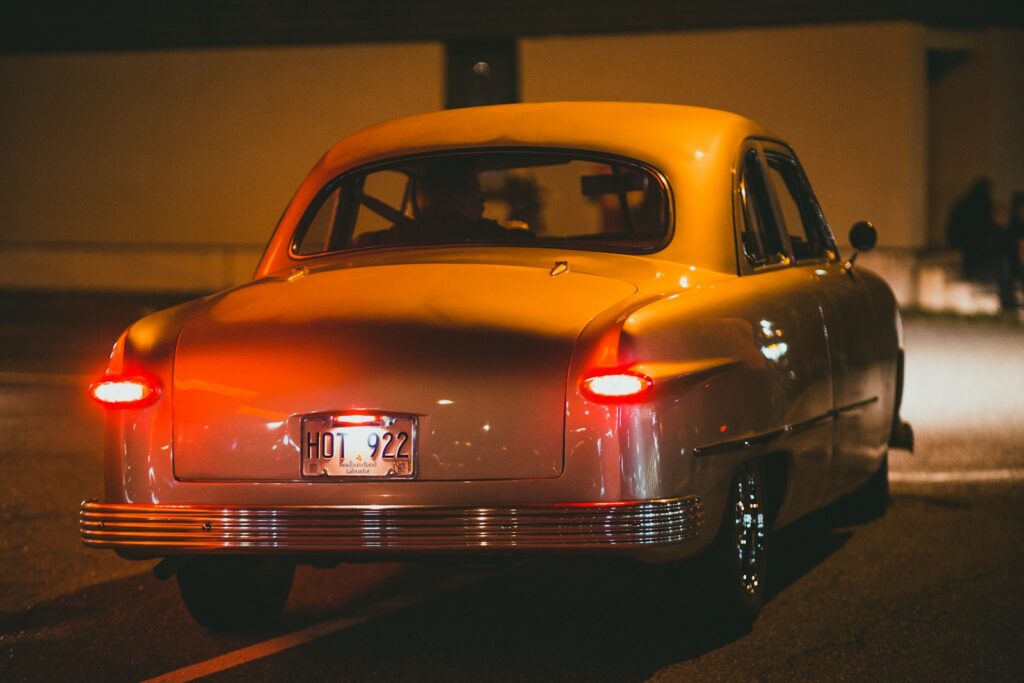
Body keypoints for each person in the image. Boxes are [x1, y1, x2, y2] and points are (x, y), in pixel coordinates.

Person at [946, 177, 998, 282]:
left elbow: (953, 225)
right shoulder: (985, 204)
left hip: (968, 244)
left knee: (970, 267)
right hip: (978, 244)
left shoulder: (963, 203)